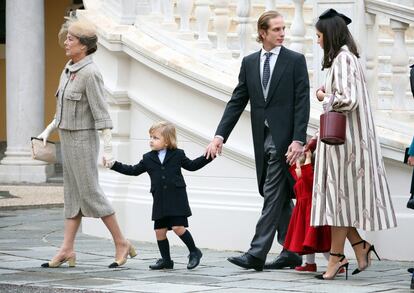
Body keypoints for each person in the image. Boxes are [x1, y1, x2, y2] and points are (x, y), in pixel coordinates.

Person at [205, 10, 310, 271]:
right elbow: (237, 100)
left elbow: (302, 103)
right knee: (276, 193)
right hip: (261, 138)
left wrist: (298, 140)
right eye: (276, 29)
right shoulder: (250, 62)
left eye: (284, 28)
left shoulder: (295, 60)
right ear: (262, 33)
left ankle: (256, 253)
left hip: (284, 142)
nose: (283, 33)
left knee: (272, 193)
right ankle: (291, 250)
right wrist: (220, 136)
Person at [38, 18, 136, 268]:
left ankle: (121, 242)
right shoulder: (68, 68)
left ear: (84, 45)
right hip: (67, 139)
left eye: (71, 39)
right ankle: (67, 249)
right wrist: (47, 132)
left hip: (83, 140)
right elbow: (61, 109)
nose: (66, 43)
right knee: (72, 195)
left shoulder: (91, 73)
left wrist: (109, 149)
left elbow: (101, 113)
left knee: (91, 193)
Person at [311, 9, 397, 280]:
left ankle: (339, 257)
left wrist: (325, 95)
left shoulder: (343, 59)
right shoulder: (345, 58)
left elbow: (348, 99)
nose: (317, 41)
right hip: (344, 145)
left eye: (319, 36)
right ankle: (356, 248)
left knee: (338, 201)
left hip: (346, 148)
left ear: (330, 35)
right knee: (340, 202)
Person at [104, 121, 212, 270]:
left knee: (177, 227)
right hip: (160, 199)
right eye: (150, 137)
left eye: (155, 137)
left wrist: (209, 156)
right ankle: (166, 260)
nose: (151, 140)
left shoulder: (177, 154)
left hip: (176, 198)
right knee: (159, 231)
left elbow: (192, 166)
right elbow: (133, 170)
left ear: (167, 141)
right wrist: (113, 165)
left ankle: (194, 252)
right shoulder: (148, 158)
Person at [283, 148, 331, 272]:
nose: (297, 169)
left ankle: (334, 262)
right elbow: (295, 170)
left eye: (300, 166)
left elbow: (306, 171)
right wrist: (293, 156)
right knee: (307, 242)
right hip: (303, 215)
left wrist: (308, 157)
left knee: (320, 242)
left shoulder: (309, 179)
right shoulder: (301, 179)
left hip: (310, 214)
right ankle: (310, 264)